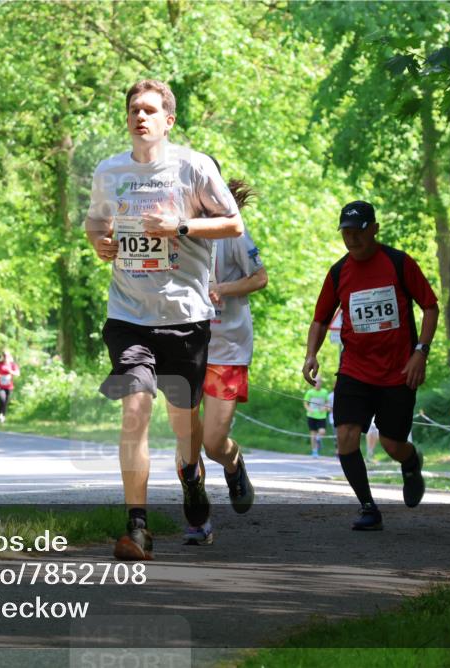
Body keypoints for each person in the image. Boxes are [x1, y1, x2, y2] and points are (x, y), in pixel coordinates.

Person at [85, 79, 244, 560]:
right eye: (134, 109)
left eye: (151, 110)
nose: (141, 117)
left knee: (184, 424)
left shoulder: (192, 167)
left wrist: (178, 227)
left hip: (184, 317)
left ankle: (192, 473)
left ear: (168, 120)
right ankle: (137, 527)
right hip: (128, 314)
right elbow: (96, 221)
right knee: (134, 408)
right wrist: (100, 242)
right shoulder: (109, 171)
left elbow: (232, 223)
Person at [303, 200, 439, 531]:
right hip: (355, 370)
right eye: (346, 233)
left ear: (374, 229)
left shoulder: (398, 263)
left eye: (358, 232)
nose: (352, 239)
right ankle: (368, 507)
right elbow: (320, 319)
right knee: (346, 437)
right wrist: (311, 354)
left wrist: (420, 351)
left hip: (398, 371)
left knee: (393, 443)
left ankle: (410, 461)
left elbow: (431, 307)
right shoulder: (338, 272)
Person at [185, 172, 265, 546]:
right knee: (187, 438)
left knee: (213, 443)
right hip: (186, 344)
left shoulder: (232, 232)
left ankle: (234, 465)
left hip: (227, 347)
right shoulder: (176, 231)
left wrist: (222, 289)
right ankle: (199, 522)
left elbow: (260, 278)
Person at [304, 377, 329, 458]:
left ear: (321, 383)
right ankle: (314, 452)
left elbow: (327, 403)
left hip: (321, 416)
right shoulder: (310, 392)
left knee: (322, 431)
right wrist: (309, 409)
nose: (318, 384)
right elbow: (305, 403)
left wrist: (325, 408)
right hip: (311, 416)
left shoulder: (324, 392)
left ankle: (318, 439)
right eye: (316, 382)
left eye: (319, 382)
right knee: (313, 434)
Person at [0, 350, 20, 423]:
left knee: (6, 402)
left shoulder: (13, 365)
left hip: (9, 386)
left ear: (9, 356)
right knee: (2, 399)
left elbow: (17, 373)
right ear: (3, 356)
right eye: (4, 356)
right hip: (0, 385)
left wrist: (11, 372)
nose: (5, 357)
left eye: (7, 356)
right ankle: (0, 414)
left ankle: (3, 416)